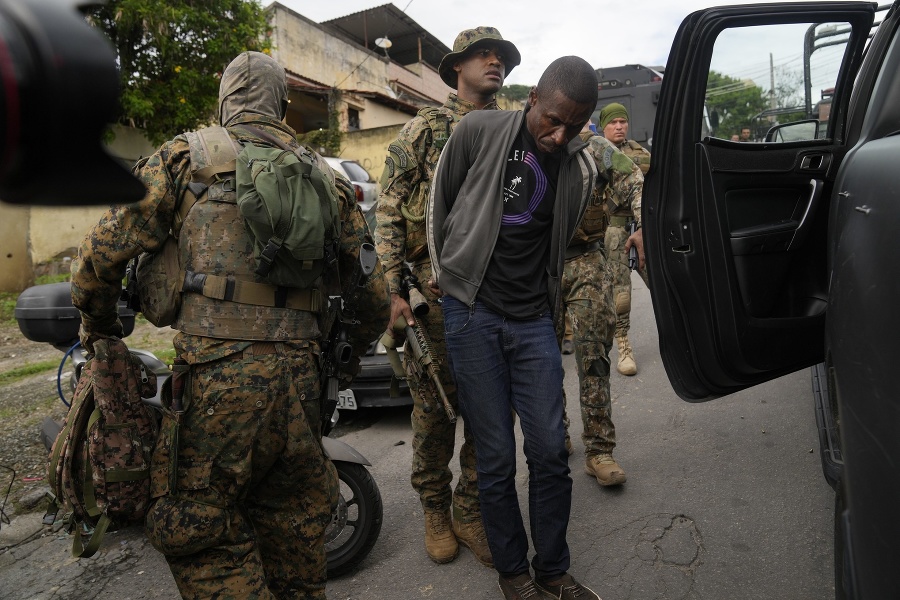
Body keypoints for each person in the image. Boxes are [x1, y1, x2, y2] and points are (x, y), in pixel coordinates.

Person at [71, 51, 389, 600]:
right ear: (283, 105)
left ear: (224, 104)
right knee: (295, 529)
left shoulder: (184, 158)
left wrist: (100, 328)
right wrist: (345, 358)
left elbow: (99, 256)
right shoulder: (324, 176)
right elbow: (374, 299)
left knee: (196, 529)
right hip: (302, 383)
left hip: (215, 385)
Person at [428, 55, 642, 600]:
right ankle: (514, 573)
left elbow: (566, 232)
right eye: (552, 118)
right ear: (532, 101)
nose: (559, 132)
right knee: (495, 455)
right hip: (472, 312)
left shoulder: (582, 163)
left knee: (549, 451)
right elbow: (441, 203)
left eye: (575, 124)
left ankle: (552, 570)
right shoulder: (478, 131)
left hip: (533, 321)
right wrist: (446, 278)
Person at [375, 26, 520, 568]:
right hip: (435, 298)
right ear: (456, 67)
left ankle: (469, 507)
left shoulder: (514, 127)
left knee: (494, 411)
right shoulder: (425, 130)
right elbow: (388, 208)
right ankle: (435, 509)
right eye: (483, 55)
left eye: (501, 56)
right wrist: (394, 289)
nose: (494, 62)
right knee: (434, 409)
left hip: (500, 293)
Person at [560, 110, 644, 488]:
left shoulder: (595, 148)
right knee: (539, 361)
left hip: (586, 260)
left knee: (593, 354)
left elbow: (633, 179)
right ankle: (555, 433)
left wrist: (640, 228)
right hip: (534, 267)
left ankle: (599, 450)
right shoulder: (525, 148)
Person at [597, 102, 651, 376]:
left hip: (642, 229)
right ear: (603, 125)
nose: (619, 126)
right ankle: (624, 345)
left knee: (662, 283)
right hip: (613, 234)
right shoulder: (594, 153)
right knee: (620, 294)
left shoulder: (641, 154)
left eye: (623, 121)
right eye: (613, 122)